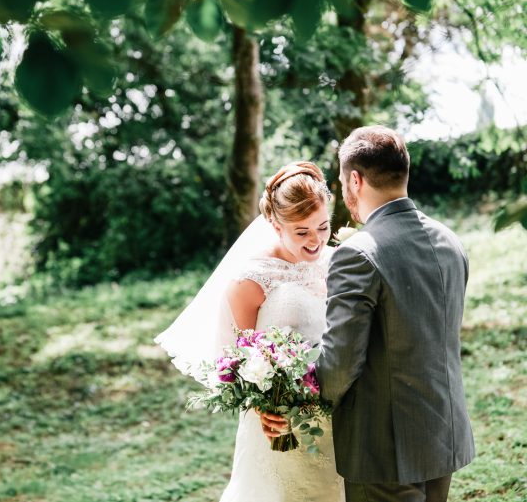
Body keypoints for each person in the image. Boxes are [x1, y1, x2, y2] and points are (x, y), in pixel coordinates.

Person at [263, 125, 476, 502]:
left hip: (383, 450)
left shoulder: (358, 253)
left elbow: (340, 363)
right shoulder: (450, 240)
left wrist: (292, 398)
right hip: (444, 434)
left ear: (355, 180)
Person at [155, 161, 345, 501]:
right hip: (281, 421)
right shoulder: (251, 280)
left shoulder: (338, 263)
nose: (316, 240)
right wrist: (265, 406)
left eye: (322, 226)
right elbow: (239, 359)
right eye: (301, 232)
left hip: (338, 415)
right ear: (275, 224)